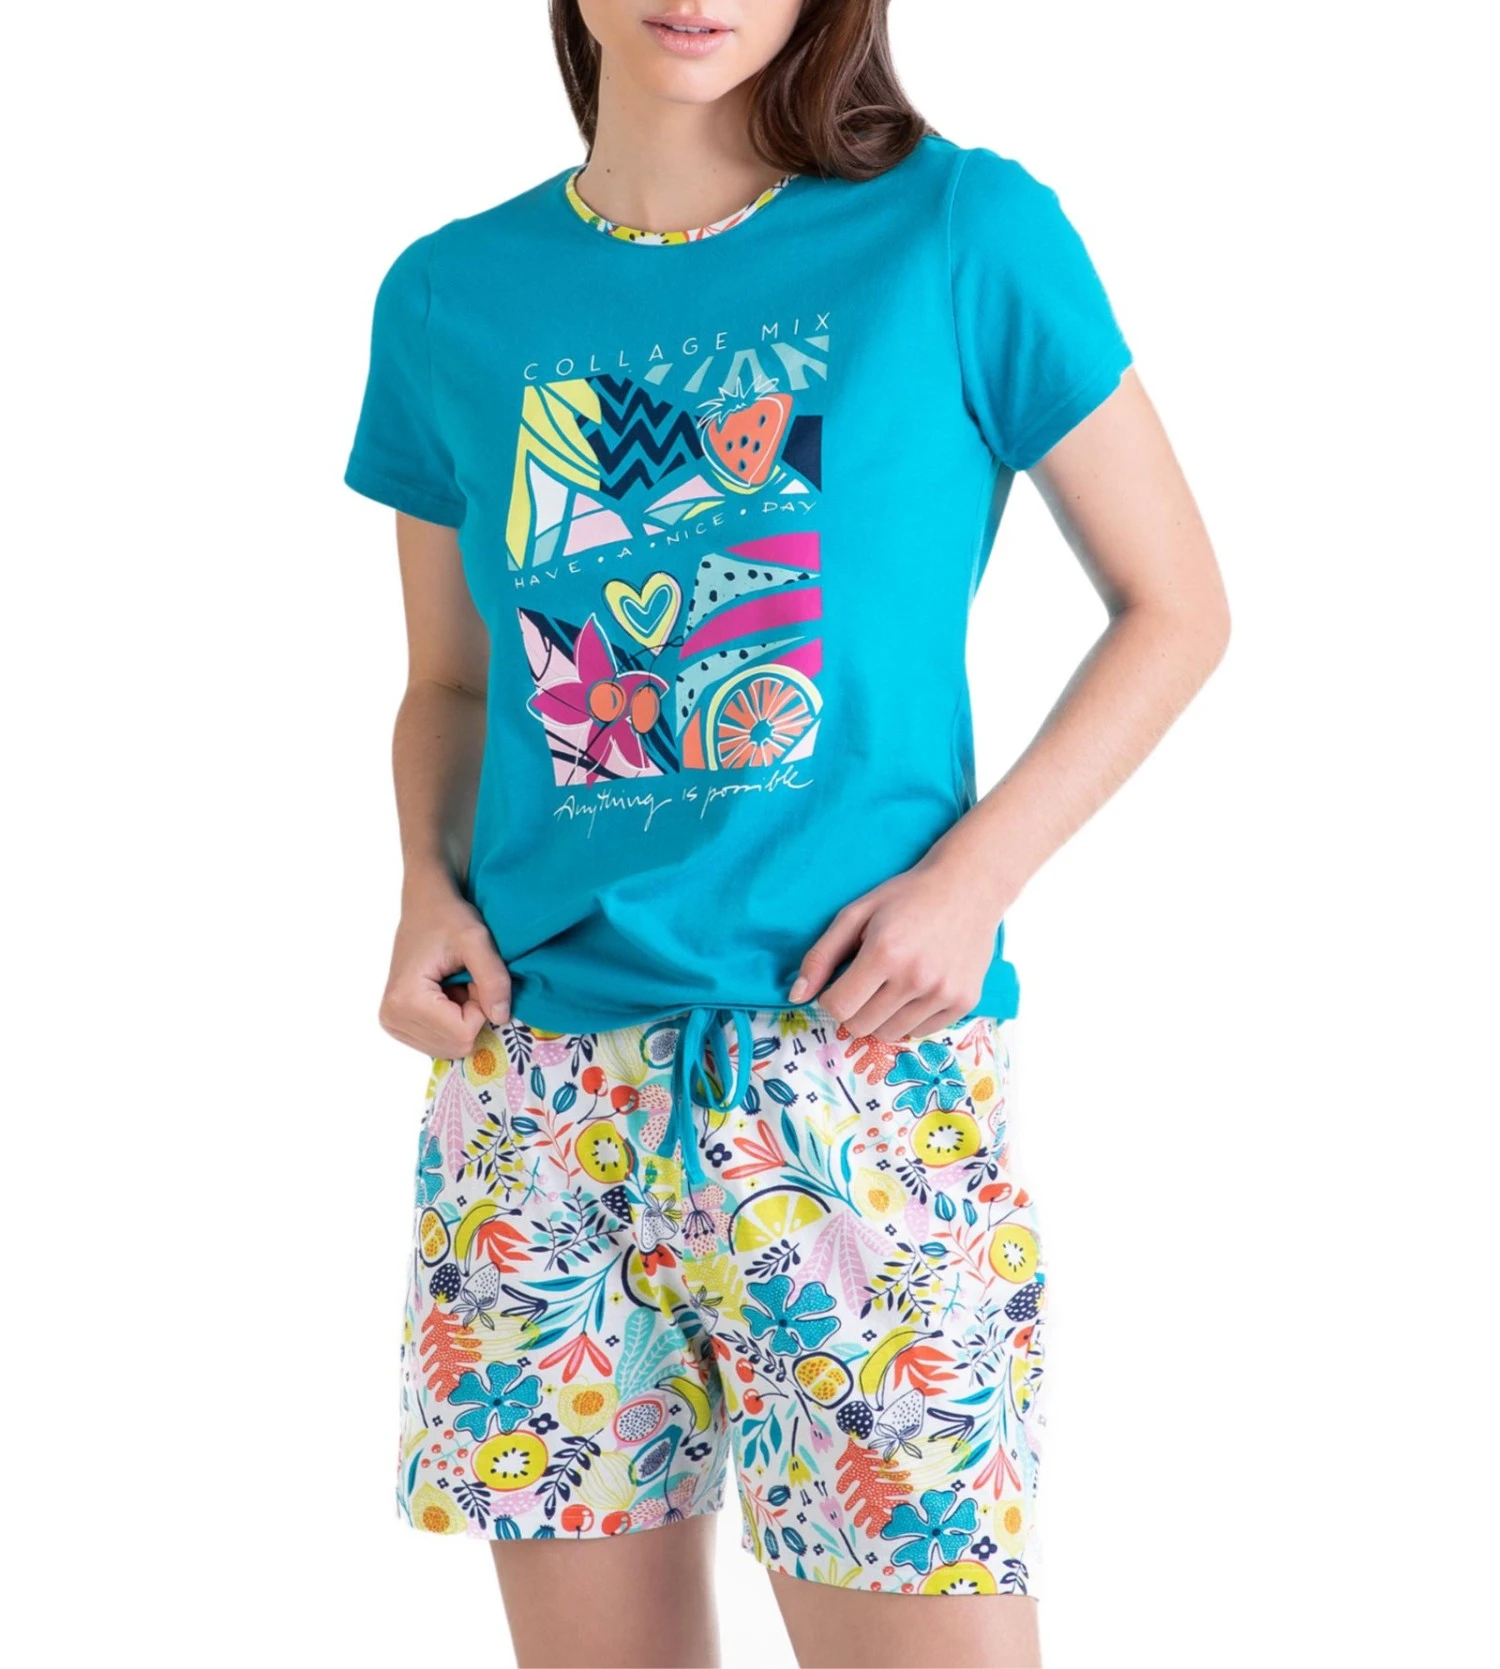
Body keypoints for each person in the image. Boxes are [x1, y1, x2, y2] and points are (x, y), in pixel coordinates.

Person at [343, 4, 1229, 1665]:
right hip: (540, 1104)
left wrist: (973, 881)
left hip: (853, 1076)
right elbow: (453, 687)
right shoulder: (454, 292)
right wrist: (423, 888)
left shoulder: (959, 230)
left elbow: (1176, 606)